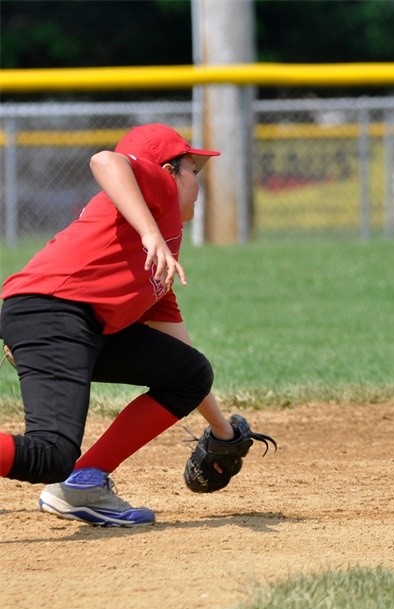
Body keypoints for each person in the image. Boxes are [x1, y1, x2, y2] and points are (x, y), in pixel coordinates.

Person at [0, 123, 239, 526]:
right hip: (52, 313)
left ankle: (84, 486)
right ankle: (72, 481)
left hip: (67, 323)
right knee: (50, 455)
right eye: (192, 172)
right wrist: (150, 235)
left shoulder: (161, 256)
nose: (198, 184)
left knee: (188, 372)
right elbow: (105, 160)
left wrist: (223, 431)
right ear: (168, 171)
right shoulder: (158, 198)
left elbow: (188, 364)